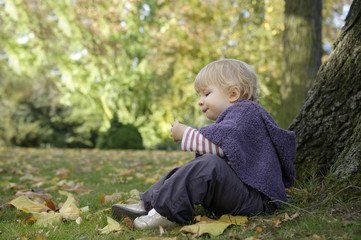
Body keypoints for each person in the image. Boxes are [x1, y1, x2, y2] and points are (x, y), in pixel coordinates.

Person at [112, 59, 297, 229]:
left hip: (256, 200)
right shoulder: (233, 118)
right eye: (199, 95)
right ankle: (149, 203)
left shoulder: (245, 113)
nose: (200, 101)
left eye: (207, 93)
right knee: (187, 170)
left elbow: (222, 147)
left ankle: (168, 212)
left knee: (209, 166)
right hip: (239, 193)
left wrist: (185, 134)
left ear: (233, 94)